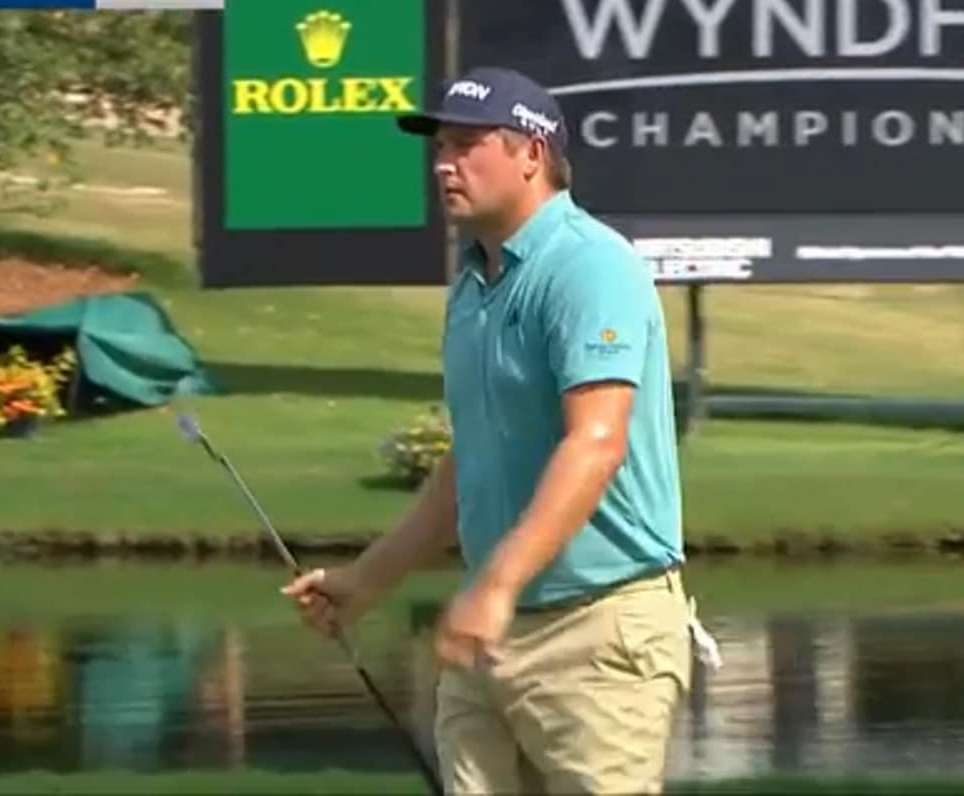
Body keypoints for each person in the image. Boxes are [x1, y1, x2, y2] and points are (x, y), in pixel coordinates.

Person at [282, 66, 702, 794]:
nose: (444, 162)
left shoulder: (589, 266)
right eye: (439, 146)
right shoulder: (476, 278)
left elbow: (595, 443)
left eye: (467, 144)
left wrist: (495, 585)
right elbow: (470, 462)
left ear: (530, 154)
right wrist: (366, 581)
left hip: (597, 634)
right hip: (488, 638)